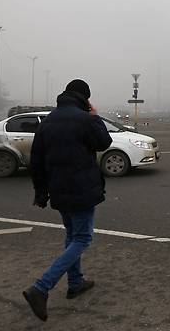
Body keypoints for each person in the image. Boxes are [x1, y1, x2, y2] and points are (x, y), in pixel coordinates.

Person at [23, 79, 112, 322]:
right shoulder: (85, 119)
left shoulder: (48, 121)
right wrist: (95, 116)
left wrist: (41, 193)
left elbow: (36, 162)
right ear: (85, 98)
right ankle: (41, 288)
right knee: (82, 238)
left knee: (72, 235)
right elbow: (105, 142)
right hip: (82, 189)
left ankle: (76, 282)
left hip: (58, 190)